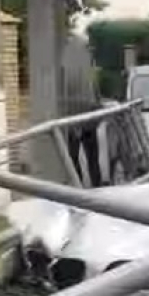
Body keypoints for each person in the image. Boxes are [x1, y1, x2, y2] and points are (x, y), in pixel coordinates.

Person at [59, 34, 104, 187]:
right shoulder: (87, 66)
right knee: (92, 158)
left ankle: (79, 188)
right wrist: (98, 114)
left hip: (75, 119)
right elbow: (96, 92)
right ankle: (96, 188)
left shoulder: (66, 65)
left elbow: (66, 93)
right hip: (89, 117)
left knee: (73, 157)